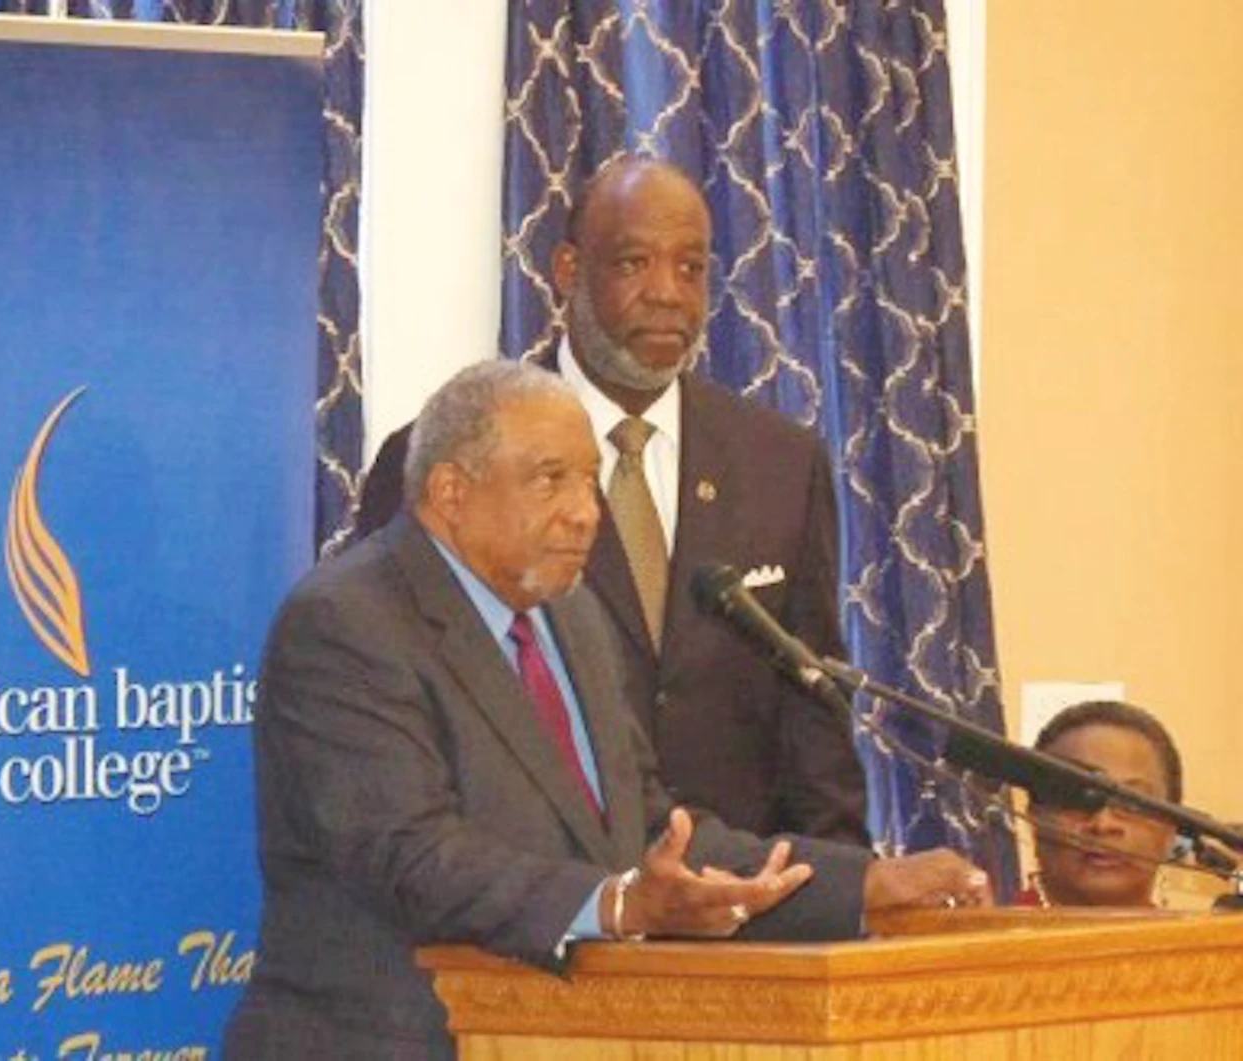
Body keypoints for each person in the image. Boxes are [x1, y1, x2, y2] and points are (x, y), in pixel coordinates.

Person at [225, 361, 990, 1059]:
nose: (586, 512)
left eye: (590, 481)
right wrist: (619, 903)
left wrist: (863, 884)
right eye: (550, 479)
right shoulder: (348, 621)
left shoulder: (574, 617)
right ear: (452, 492)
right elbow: (412, 855)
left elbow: (649, 830)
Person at [355, 156, 868, 847]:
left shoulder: (781, 462)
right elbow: (399, 704)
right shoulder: (449, 459)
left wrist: (847, 883)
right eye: (633, 263)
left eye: (691, 268)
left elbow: (815, 720)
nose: (667, 294)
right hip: (530, 894)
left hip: (743, 893)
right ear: (569, 271)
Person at [1027, 700, 1182, 908]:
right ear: (1035, 816)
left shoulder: (1205, 930)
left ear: (1171, 828)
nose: (1103, 824)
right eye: (1078, 799)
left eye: (1131, 801)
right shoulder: (989, 927)